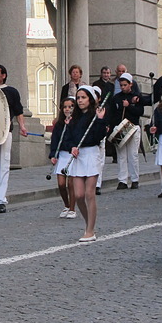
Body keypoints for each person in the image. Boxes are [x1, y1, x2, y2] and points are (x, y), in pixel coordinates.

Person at [64, 86, 106, 242]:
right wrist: (71, 147)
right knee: (79, 195)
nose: (80, 100)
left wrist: (101, 120)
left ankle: (90, 230)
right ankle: (89, 223)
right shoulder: (73, 119)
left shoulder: (95, 116)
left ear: (90, 99)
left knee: (89, 194)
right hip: (78, 157)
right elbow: (67, 138)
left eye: (83, 97)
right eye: (78, 98)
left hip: (91, 154)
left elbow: (100, 136)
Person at [0, 65, 28, 214]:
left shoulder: (11, 91)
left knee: (2, 164)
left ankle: (1, 200)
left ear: (4, 75)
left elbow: (18, 110)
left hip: (5, 132)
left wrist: (22, 126)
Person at [110, 73, 144, 190]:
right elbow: (113, 114)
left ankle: (135, 179)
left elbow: (140, 112)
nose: (123, 87)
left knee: (133, 155)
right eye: (121, 85)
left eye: (125, 85)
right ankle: (122, 180)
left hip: (133, 127)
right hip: (121, 128)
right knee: (121, 155)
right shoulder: (116, 98)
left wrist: (129, 106)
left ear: (130, 84)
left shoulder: (136, 96)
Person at [49, 97, 77, 219]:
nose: (67, 109)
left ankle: (72, 208)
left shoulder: (76, 123)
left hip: (72, 155)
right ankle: (66, 205)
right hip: (62, 155)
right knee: (61, 184)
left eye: (70, 107)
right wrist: (53, 155)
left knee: (71, 183)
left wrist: (70, 125)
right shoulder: (59, 124)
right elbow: (55, 140)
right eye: (65, 107)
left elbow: (75, 138)